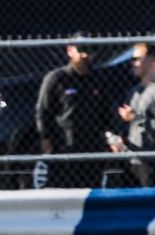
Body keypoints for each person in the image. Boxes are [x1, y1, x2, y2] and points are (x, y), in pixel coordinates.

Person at [35, 35, 112, 188]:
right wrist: (46, 139)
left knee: (90, 187)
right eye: (81, 50)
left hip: (91, 146)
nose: (85, 55)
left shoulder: (99, 79)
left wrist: (107, 138)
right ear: (70, 51)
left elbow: (105, 111)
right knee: (63, 188)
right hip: (64, 146)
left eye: (90, 51)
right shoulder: (57, 78)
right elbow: (43, 111)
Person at [110, 43, 155, 187]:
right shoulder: (134, 91)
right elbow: (125, 124)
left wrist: (135, 118)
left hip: (153, 163)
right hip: (132, 160)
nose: (133, 63)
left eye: (137, 59)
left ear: (152, 61)